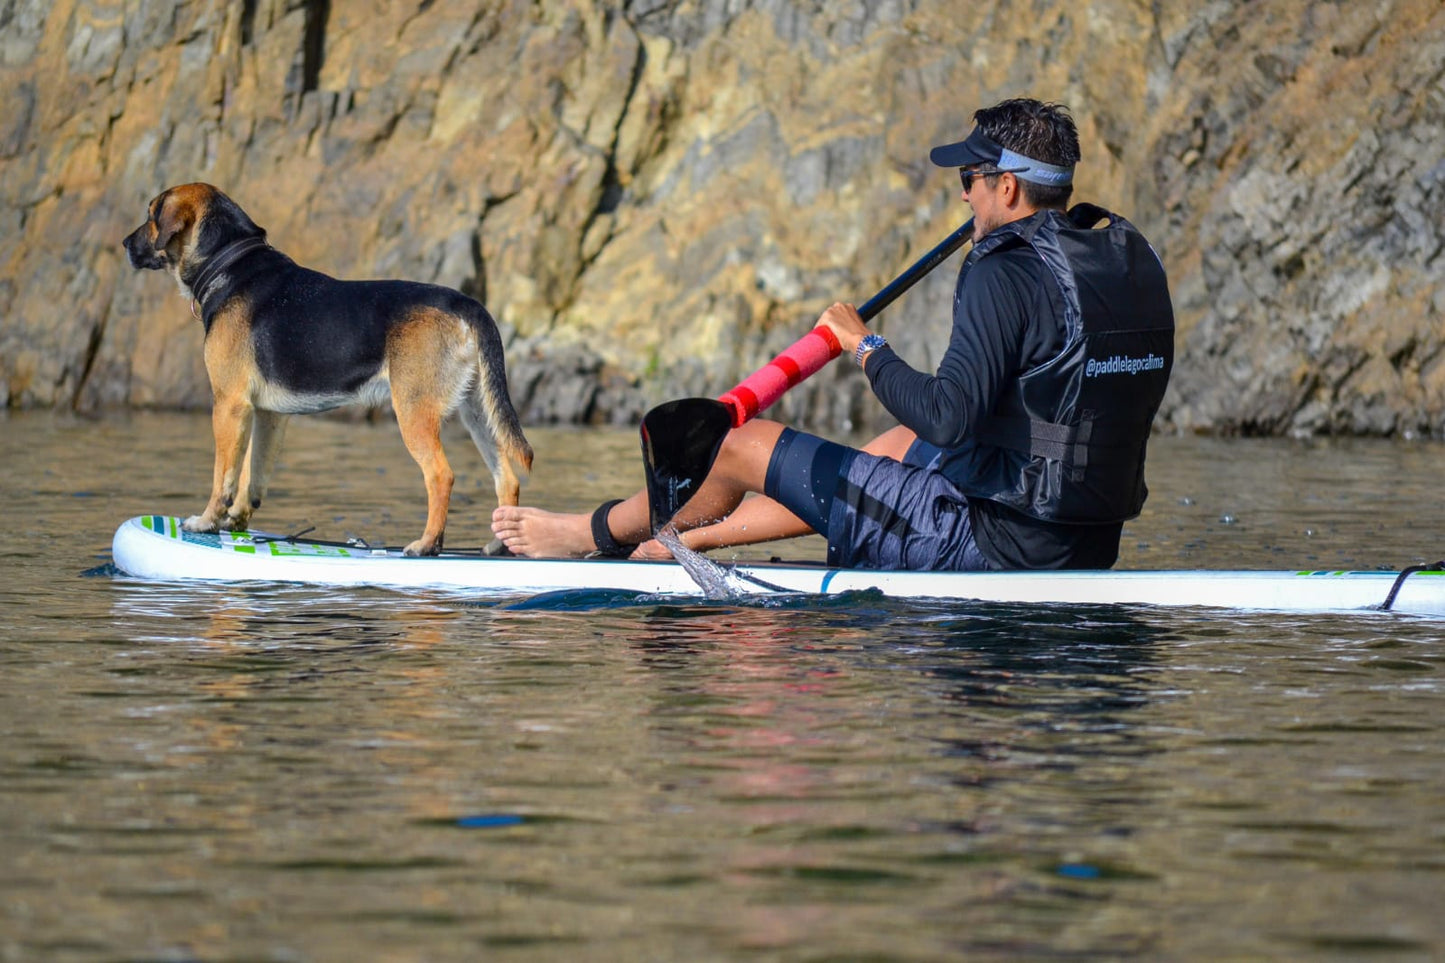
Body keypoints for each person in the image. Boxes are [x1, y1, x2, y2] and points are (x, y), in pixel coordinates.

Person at [492, 98, 1175, 571]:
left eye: (969, 179)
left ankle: (585, 532)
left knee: (736, 443)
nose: (962, 195)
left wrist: (863, 347)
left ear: (1006, 188)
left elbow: (947, 414)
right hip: (1087, 540)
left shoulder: (1000, 271)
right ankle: (677, 545)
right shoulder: (1116, 253)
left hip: (989, 544)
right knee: (895, 447)